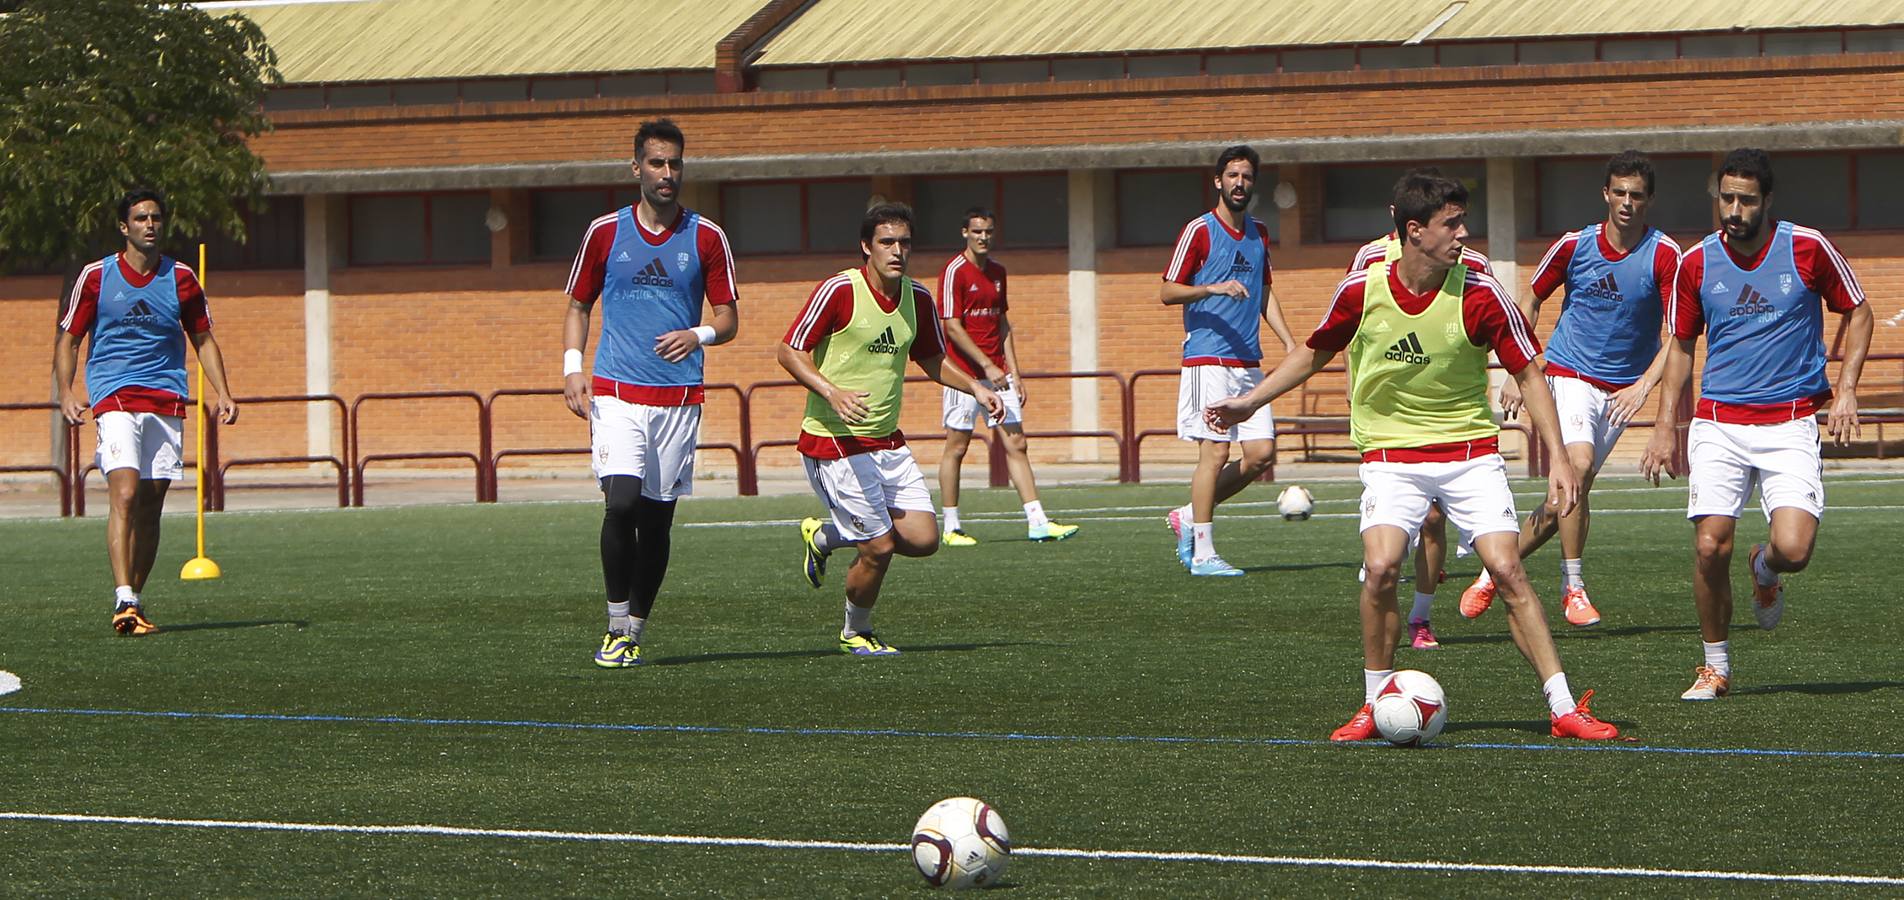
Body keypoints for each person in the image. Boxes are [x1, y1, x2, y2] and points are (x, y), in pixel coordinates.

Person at [1208, 172, 1619, 741]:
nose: (1463, 233)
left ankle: (1563, 707)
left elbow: (1528, 373)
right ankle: (1374, 702)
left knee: (1507, 571)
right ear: (1413, 231)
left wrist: (1561, 461)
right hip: (1390, 455)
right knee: (1379, 570)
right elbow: (1312, 353)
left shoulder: (1480, 290)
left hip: (1469, 453)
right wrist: (1247, 401)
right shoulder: (1361, 289)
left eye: (1462, 220)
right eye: (1451, 223)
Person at [1640, 148, 1870, 701]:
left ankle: (1763, 570)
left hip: (1790, 421)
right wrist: (1665, 425)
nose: (1735, 209)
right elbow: (1680, 348)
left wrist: (1847, 391)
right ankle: (1715, 666)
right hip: (1719, 422)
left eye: (1746, 199)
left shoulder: (1807, 248)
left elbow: (1858, 310)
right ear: (1716, 197)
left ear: (1767, 201)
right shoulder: (1696, 263)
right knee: (1708, 547)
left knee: (1793, 550)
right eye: (1727, 198)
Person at [1462, 150, 1682, 629]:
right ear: (1606, 194)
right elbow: (1530, 300)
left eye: (1637, 195)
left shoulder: (1666, 255)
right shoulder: (1573, 245)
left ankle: (1492, 570)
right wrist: (1526, 372)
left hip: (1620, 392)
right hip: (1569, 373)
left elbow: (1680, 335)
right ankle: (1573, 586)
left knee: (1568, 492)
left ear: (1650, 201)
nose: (1627, 203)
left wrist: (1644, 386)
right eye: (1619, 192)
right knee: (1576, 467)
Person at [786, 202, 1003, 656]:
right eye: (887, 242)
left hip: (886, 440)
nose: (897, 250)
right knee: (880, 547)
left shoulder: (917, 298)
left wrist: (976, 388)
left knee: (924, 540)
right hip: (833, 441)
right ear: (866, 246)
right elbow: (789, 351)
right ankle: (855, 632)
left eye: (904, 242)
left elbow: (931, 358)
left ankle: (825, 536)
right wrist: (831, 392)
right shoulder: (839, 290)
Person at [562, 119, 740, 668]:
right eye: (657, 163)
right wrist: (573, 368)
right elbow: (578, 306)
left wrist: (699, 333)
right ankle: (615, 623)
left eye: (675, 164)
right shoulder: (604, 232)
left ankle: (636, 627)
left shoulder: (707, 237)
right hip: (616, 390)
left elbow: (729, 318)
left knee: (657, 521)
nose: (668, 174)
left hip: (679, 397)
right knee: (620, 503)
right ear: (635, 167)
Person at [54, 188, 239, 636]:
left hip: (167, 397)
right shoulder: (96, 276)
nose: (150, 224)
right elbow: (70, 339)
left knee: (152, 504)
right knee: (126, 493)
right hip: (114, 394)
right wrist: (65, 390)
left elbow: (203, 339)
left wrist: (224, 392)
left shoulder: (182, 278)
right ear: (124, 227)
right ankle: (123, 595)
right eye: (140, 218)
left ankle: (131, 603)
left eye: (156, 217)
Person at [1346, 171, 1497, 650]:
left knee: (1436, 522)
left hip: (1450, 421)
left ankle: (1421, 615)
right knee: (1399, 546)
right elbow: (1357, 338)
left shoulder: (1473, 269)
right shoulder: (1369, 263)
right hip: (1390, 428)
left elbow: (1494, 327)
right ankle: (1393, 612)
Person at [1159, 145, 1297, 577]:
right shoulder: (1198, 230)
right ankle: (1203, 552)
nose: (1241, 183)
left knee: (1260, 454)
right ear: (1217, 181)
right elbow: (1167, 290)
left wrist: (1292, 344)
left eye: (1248, 177)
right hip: (1207, 359)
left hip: (1247, 362)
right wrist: (1213, 288)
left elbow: (1264, 291)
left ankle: (1188, 512)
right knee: (1215, 452)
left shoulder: (1259, 232)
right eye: (1233, 175)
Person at [935, 206, 1079, 545]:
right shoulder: (954, 272)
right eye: (976, 232)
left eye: (987, 231)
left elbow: (1002, 323)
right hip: (964, 378)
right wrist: (985, 365)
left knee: (1017, 443)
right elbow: (951, 327)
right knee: (957, 447)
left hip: (999, 375)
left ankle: (1037, 521)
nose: (983, 237)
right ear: (964, 234)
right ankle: (951, 526)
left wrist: (1015, 372)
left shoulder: (998, 272)